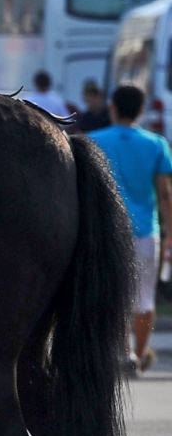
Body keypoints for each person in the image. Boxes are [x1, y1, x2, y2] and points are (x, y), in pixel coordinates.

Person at [87, 86, 172, 372]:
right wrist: (170, 231)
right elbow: (164, 195)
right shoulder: (157, 144)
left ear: (112, 107)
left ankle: (121, 351)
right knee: (144, 297)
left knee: (111, 293)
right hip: (145, 232)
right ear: (141, 110)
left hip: (106, 232)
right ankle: (139, 352)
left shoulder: (93, 142)